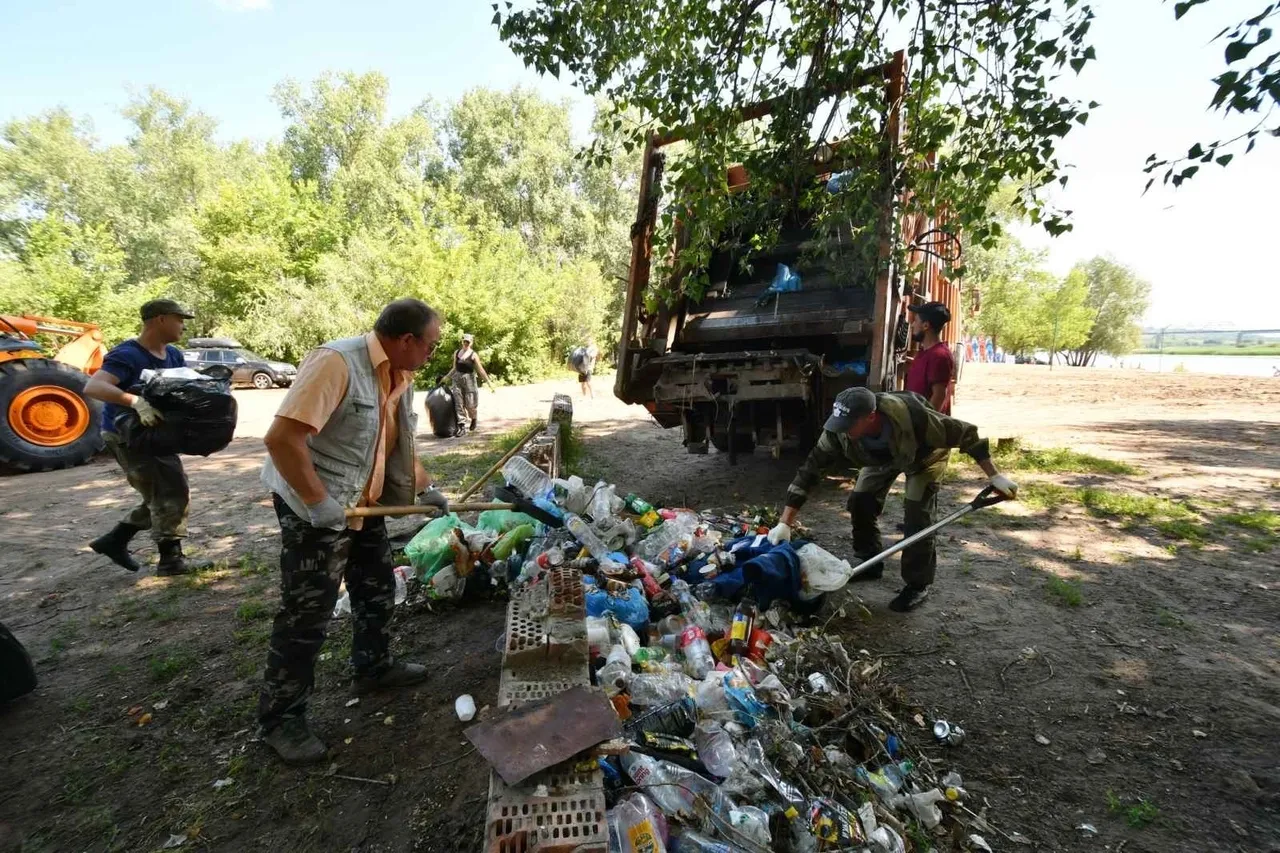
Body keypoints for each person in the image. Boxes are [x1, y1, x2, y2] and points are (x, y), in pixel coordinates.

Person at [257, 298, 450, 765]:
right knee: (308, 614)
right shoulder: (337, 362)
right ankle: (281, 719)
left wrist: (426, 488)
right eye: (430, 344)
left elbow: (393, 443)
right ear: (406, 340)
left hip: (362, 503)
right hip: (315, 505)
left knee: (378, 586)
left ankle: (374, 667)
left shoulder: (400, 376)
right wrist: (317, 502)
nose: (432, 353)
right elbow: (282, 439)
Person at [767, 387, 1017, 612]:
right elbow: (809, 471)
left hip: (924, 458)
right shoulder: (838, 431)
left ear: (871, 417)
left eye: (849, 424)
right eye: (839, 422)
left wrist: (994, 476)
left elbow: (967, 434)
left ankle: (918, 584)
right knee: (861, 500)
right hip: (881, 459)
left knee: (917, 516)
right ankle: (870, 561)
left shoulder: (916, 418)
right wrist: (785, 523)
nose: (842, 429)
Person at [85, 299, 212, 576]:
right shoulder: (128, 354)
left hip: (156, 434)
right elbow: (94, 386)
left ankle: (115, 540)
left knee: (165, 490)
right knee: (169, 491)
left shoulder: (173, 355)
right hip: (126, 434)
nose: (183, 325)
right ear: (160, 319)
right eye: (179, 319)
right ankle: (170, 561)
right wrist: (135, 402)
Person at [903, 301, 956, 414]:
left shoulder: (939, 356)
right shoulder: (926, 352)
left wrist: (926, 424)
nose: (912, 325)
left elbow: (939, 396)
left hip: (926, 426)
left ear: (926, 325)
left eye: (916, 321)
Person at [447, 333, 490, 434]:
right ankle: (461, 427)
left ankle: (474, 418)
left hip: (469, 379)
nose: (465, 343)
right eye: (464, 341)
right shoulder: (456, 353)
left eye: (468, 342)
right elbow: (454, 368)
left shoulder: (473, 354)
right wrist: (446, 377)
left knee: (470, 404)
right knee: (458, 403)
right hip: (457, 379)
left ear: (471, 343)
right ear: (462, 342)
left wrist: (488, 381)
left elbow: (480, 369)